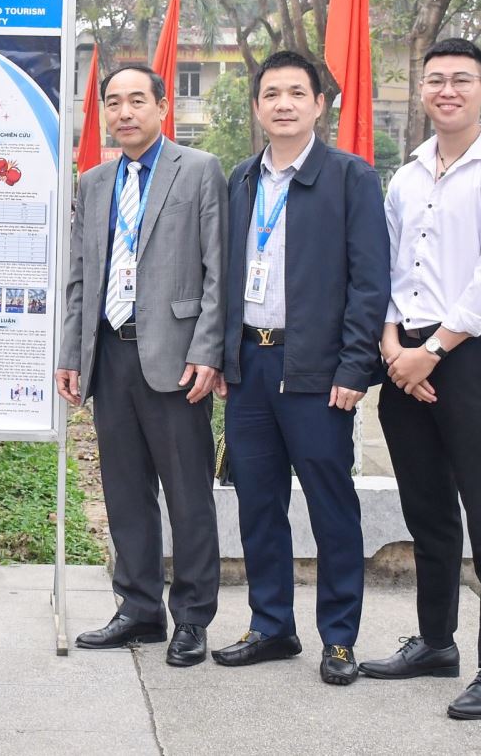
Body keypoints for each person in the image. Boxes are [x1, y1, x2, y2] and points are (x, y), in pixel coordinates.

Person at [360, 38, 481, 721]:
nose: (448, 90)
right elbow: (389, 267)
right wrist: (392, 344)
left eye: (462, 79)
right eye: (436, 80)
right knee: (428, 512)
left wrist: (430, 351)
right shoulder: (406, 177)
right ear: (423, 89)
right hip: (403, 355)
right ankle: (435, 642)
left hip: (468, 357)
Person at [211, 51, 390, 686]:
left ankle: (338, 638)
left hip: (316, 371)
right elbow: (225, 275)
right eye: (270, 94)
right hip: (250, 367)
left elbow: (370, 283)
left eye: (296, 92)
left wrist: (354, 367)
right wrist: (224, 357)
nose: (282, 104)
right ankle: (271, 625)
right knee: (258, 504)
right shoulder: (241, 180)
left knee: (330, 506)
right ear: (257, 106)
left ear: (319, 103)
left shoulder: (350, 178)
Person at [56, 63, 227, 668]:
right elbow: (81, 275)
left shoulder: (198, 170)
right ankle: (139, 609)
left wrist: (207, 350)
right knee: (125, 491)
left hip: (176, 360)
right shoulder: (94, 181)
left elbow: (217, 270)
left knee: (187, 495)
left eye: (136, 101)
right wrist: (72, 353)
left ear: (161, 107)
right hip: (110, 355)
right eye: (113, 102)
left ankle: (192, 618)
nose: (124, 112)